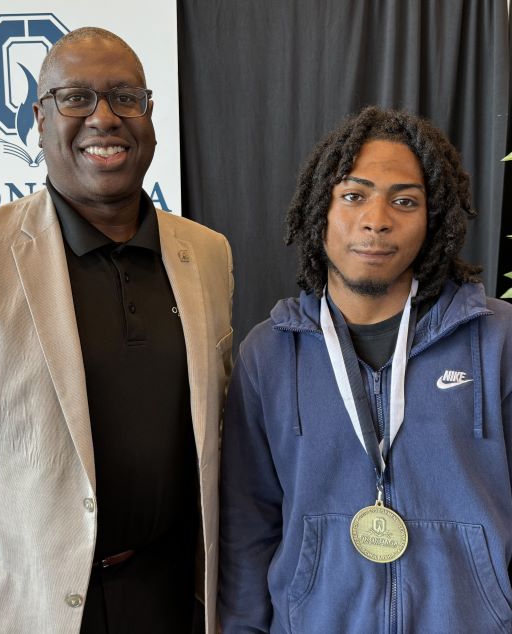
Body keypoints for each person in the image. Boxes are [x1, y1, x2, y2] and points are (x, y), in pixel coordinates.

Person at [0, 27, 233, 634]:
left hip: (172, 599)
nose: (104, 118)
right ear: (38, 118)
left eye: (125, 97)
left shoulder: (208, 254)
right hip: (16, 607)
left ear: (151, 118)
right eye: (76, 98)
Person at [219, 106, 512, 633]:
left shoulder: (499, 341)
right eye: (354, 196)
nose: (377, 219)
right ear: (320, 212)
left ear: (433, 220)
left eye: (405, 201)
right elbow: (247, 532)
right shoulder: (268, 355)